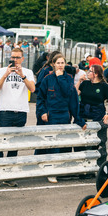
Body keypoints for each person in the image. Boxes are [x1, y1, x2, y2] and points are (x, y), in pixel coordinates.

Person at [36, 53, 86, 183]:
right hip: (51, 116)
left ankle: (62, 171)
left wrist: (79, 119)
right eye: (58, 63)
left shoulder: (68, 78)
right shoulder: (47, 79)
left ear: (65, 64)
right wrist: (42, 112)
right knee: (53, 145)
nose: (60, 65)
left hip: (64, 115)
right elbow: (40, 98)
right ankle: (51, 171)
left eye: (62, 63)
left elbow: (71, 98)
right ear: (53, 64)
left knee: (63, 143)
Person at [0, 48, 35, 158]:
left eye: (17, 57)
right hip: (6, 111)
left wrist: (22, 75)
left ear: (23, 59)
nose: (15, 60)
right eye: (13, 57)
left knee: (15, 144)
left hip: (21, 111)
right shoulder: (2, 70)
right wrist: (5, 74)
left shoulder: (28, 72)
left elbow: (32, 89)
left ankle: (11, 166)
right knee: (0, 141)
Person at [78, 64, 108, 165]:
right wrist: (79, 81)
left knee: (97, 143)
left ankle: (98, 166)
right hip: (83, 116)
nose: (87, 73)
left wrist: (107, 114)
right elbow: (75, 93)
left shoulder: (104, 86)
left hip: (97, 117)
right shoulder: (85, 83)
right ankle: (82, 166)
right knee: (81, 143)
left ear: (96, 74)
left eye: (90, 71)